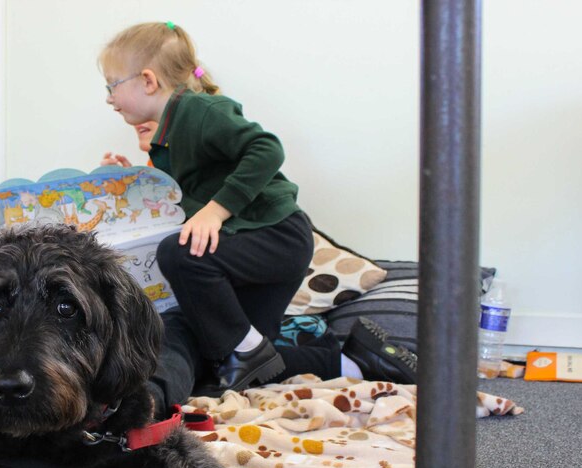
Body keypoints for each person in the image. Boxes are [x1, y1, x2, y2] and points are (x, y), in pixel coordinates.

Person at [99, 22, 417, 416]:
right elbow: (181, 198)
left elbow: (266, 149)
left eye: (112, 85)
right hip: (255, 251)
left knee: (179, 254)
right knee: (243, 359)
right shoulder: (168, 138)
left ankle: (248, 351)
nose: (110, 99)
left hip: (276, 236)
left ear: (148, 80)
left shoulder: (198, 111)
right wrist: (127, 178)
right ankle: (358, 360)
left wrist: (216, 211)